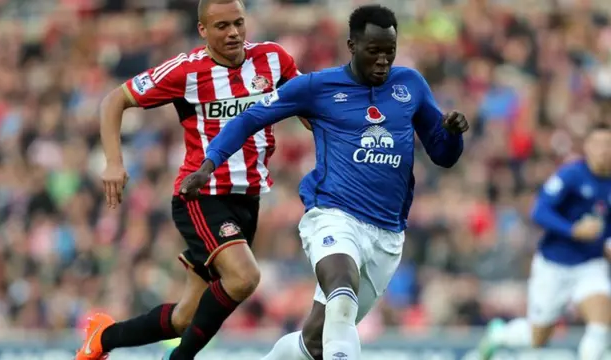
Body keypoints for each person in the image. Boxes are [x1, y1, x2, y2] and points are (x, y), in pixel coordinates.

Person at [180, 5, 469, 360]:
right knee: (341, 287)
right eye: (373, 51)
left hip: (388, 235)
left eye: (389, 52)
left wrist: (452, 134)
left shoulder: (409, 85)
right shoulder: (318, 87)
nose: (382, 61)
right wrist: (209, 165)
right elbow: (250, 118)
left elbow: (443, 155)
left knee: (315, 341)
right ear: (352, 45)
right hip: (333, 215)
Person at [75, 0, 306, 359]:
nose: (233, 33)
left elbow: (310, 109)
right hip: (201, 195)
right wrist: (113, 162)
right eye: (222, 26)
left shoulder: (274, 59)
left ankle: (102, 338)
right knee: (244, 277)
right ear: (203, 30)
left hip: (249, 197)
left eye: (239, 23)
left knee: (185, 317)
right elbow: (113, 100)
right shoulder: (186, 70)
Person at [479, 123, 611, 360]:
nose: (604, 150)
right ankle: (499, 335)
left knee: (602, 324)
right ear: (588, 148)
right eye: (599, 144)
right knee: (537, 337)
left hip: (590, 265)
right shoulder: (571, 175)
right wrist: (573, 230)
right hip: (554, 265)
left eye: (608, 145)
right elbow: (539, 211)